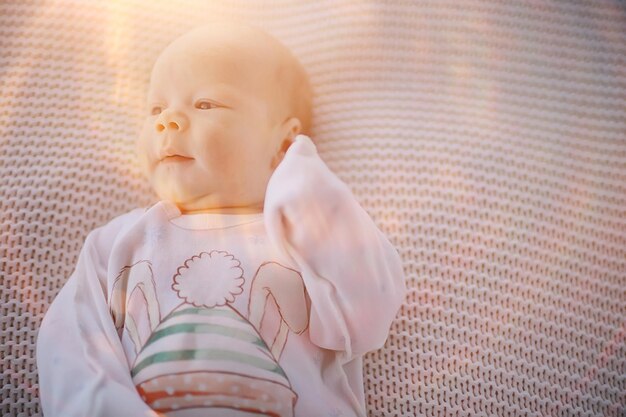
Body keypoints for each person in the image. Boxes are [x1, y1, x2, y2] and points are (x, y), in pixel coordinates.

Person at [36, 19, 407, 417]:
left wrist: (308, 190)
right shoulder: (116, 243)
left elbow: (369, 316)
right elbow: (73, 350)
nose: (167, 121)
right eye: (156, 108)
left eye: (205, 104)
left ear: (282, 144)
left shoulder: (306, 234)